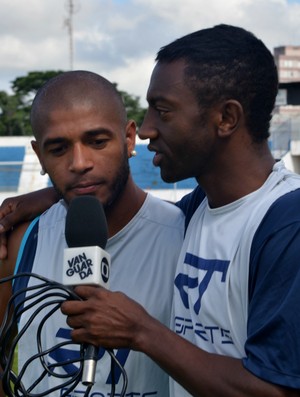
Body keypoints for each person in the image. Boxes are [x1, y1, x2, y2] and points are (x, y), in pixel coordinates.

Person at [1, 23, 300, 396]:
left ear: (225, 118)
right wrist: (37, 200)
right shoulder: (199, 210)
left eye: (163, 111)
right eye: (58, 149)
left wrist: (141, 331)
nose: (146, 130)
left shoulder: (286, 224)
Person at [0, 70, 185, 397]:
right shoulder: (21, 240)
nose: (79, 163)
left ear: (129, 139)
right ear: (39, 155)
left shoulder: (184, 236)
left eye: (97, 142)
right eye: (58, 149)